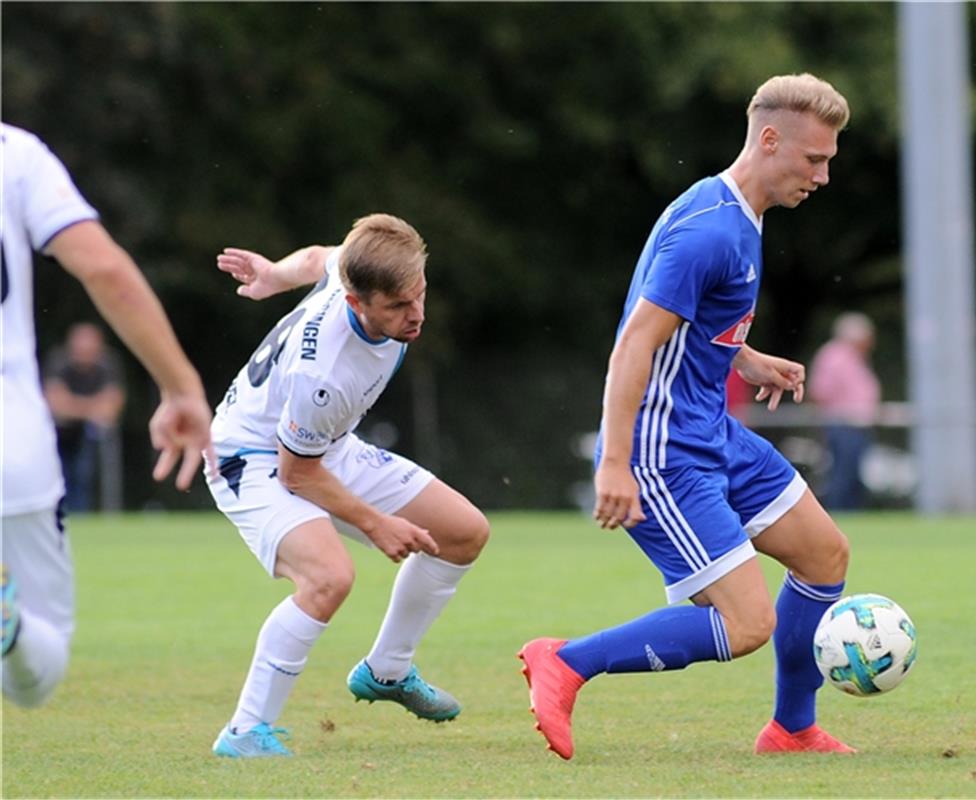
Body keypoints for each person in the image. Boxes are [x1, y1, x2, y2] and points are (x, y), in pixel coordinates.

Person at [519, 74, 855, 759]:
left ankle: (791, 729)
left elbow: (690, 325)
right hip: (662, 449)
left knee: (824, 554)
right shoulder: (711, 231)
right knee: (744, 623)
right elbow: (634, 344)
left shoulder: (735, 213)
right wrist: (615, 462)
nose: (822, 176)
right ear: (769, 140)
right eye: (814, 159)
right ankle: (567, 660)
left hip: (711, 430)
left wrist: (747, 358)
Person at [206, 214, 489, 758]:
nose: (417, 316)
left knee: (463, 533)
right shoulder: (325, 374)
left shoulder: (358, 268)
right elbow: (296, 474)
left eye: (420, 295)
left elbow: (319, 256)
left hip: (321, 445)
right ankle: (244, 732)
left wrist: (272, 274)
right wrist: (375, 523)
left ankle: (388, 671)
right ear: (357, 303)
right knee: (329, 577)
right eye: (398, 307)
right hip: (254, 457)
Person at [1, 122, 214, 708]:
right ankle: (9, 628)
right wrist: (182, 386)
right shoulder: (15, 154)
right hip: (10, 446)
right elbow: (105, 270)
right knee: (36, 676)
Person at [43, 322, 127, 512]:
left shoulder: (108, 364)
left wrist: (73, 405)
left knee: (84, 473)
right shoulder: (59, 362)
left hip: (91, 434)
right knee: (58, 476)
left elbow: (111, 408)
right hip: (58, 432)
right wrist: (92, 407)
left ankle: (82, 513)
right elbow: (56, 405)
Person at [807, 312, 880, 511]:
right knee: (842, 475)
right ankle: (839, 513)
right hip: (843, 423)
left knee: (852, 475)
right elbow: (820, 391)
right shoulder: (835, 356)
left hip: (856, 425)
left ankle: (850, 513)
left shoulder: (853, 357)